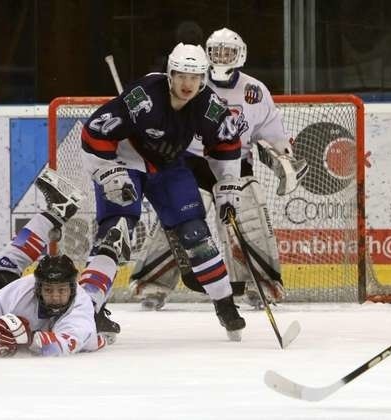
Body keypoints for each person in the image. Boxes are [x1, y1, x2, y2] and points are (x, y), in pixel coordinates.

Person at [128, 28, 309, 310]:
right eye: (217, 51)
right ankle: (152, 285)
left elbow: (271, 131)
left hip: (237, 165)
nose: (222, 57)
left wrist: (283, 154)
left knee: (250, 219)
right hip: (191, 163)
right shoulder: (194, 84)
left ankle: (259, 284)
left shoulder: (255, 91)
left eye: (229, 51)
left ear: (241, 55)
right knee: (178, 219)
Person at [81, 42, 247, 341]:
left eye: (195, 77)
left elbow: (226, 147)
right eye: (182, 76)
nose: (188, 84)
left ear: (204, 79)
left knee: (197, 235)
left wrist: (227, 186)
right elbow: (95, 131)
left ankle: (225, 305)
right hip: (125, 162)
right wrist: (106, 171)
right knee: (114, 234)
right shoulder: (143, 97)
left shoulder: (210, 106)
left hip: (168, 167)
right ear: (170, 74)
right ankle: (89, 309)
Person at [0, 168, 130, 357]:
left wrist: (24, 338)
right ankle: (109, 249)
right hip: (65, 317)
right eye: (48, 290)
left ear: (72, 288)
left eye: (61, 290)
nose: (54, 296)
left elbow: (57, 347)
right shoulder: (21, 291)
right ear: (37, 287)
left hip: (80, 323)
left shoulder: (79, 309)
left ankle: (109, 250)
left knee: (90, 301)